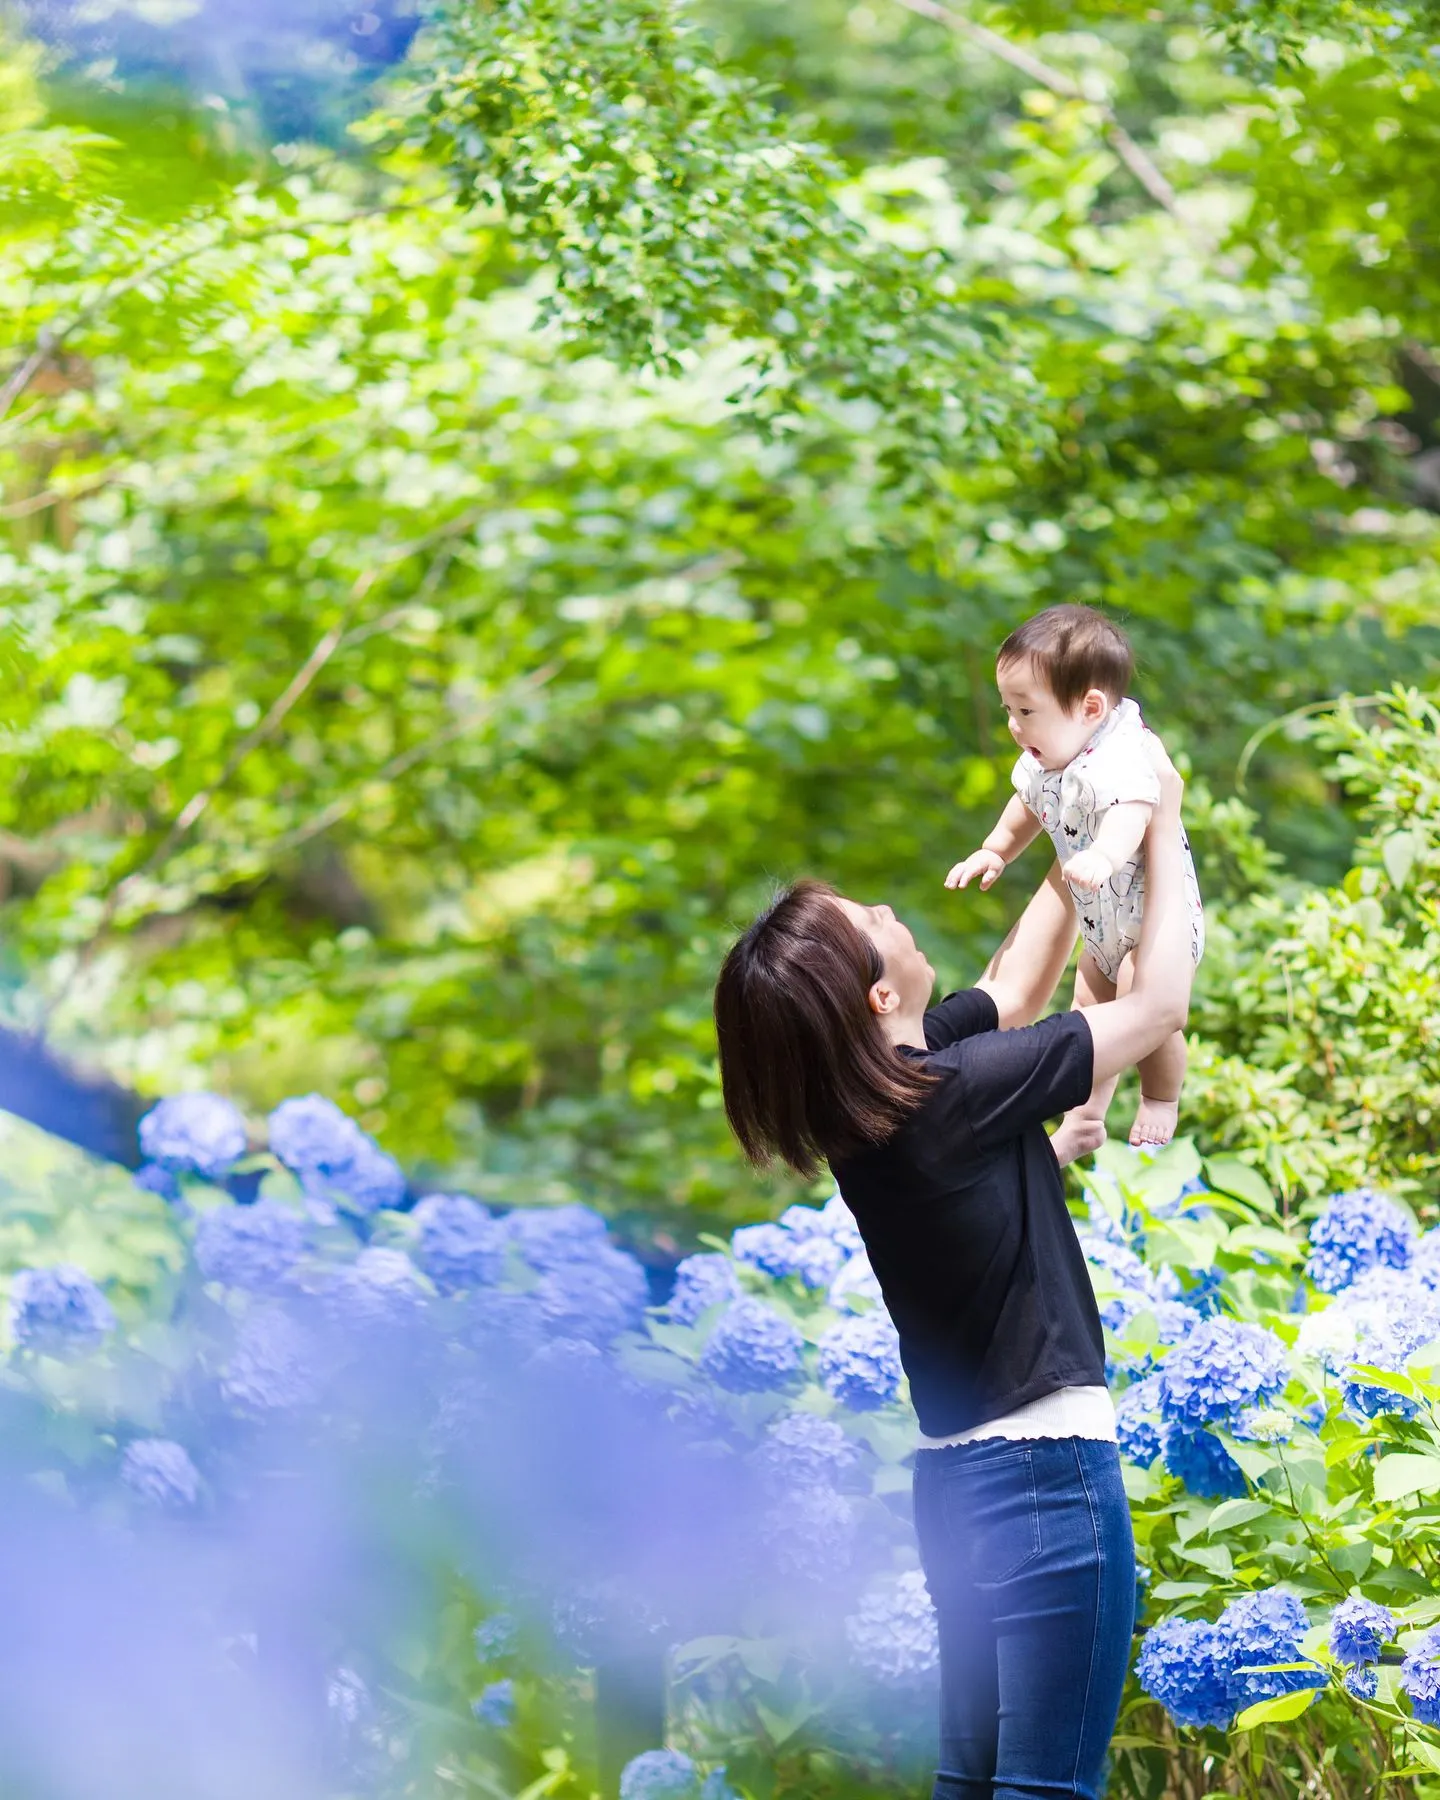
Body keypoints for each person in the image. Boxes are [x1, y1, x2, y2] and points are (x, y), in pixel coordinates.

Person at [712, 738, 1194, 1800]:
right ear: (880, 1000)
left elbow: (1013, 985)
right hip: (1045, 1478)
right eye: (873, 926)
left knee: (971, 1785)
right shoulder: (954, 1093)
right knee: (1044, 1789)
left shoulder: (879, 1107)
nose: (892, 915)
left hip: (960, 1486)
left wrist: (1078, 841)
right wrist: (1153, 819)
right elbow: (1155, 1011)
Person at [945, 604, 1204, 1153]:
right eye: (1008, 709)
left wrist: (1105, 854)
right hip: (1099, 916)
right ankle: (1086, 1116)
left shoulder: (1121, 751)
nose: (1014, 726)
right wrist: (994, 851)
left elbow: (1137, 809)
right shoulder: (1048, 756)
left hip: (1149, 913)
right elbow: (1026, 806)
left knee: (1142, 1002)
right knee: (1087, 1004)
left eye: (1026, 710)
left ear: (1090, 707)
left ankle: (1160, 1097)